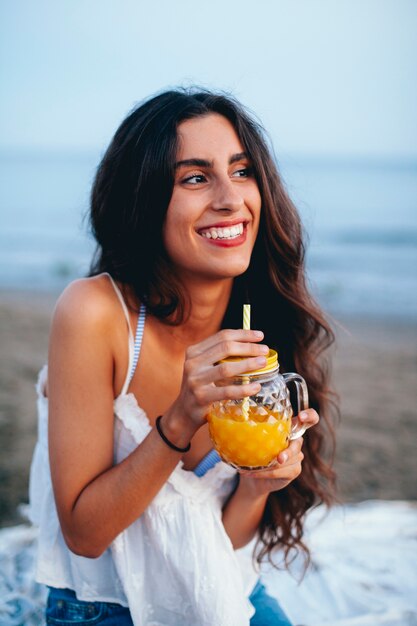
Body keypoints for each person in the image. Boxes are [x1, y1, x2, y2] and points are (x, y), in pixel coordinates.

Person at [29, 88, 336, 626]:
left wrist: (258, 487)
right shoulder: (95, 314)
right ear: (143, 202)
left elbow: (217, 540)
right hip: (105, 608)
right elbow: (85, 535)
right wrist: (179, 419)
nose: (230, 199)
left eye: (241, 171)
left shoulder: (259, 323)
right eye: (195, 178)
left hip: (220, 589)